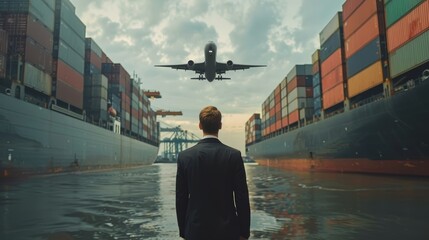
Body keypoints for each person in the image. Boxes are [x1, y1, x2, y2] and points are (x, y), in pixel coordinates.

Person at [176, 106, 251, 240]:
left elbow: (181, 199)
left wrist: (184, 231)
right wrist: (244, 232)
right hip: (228, 232)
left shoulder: (184, 157)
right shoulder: (233, 155)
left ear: (200, 126)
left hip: (195, 232)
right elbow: (242, 198)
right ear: (220, 125)